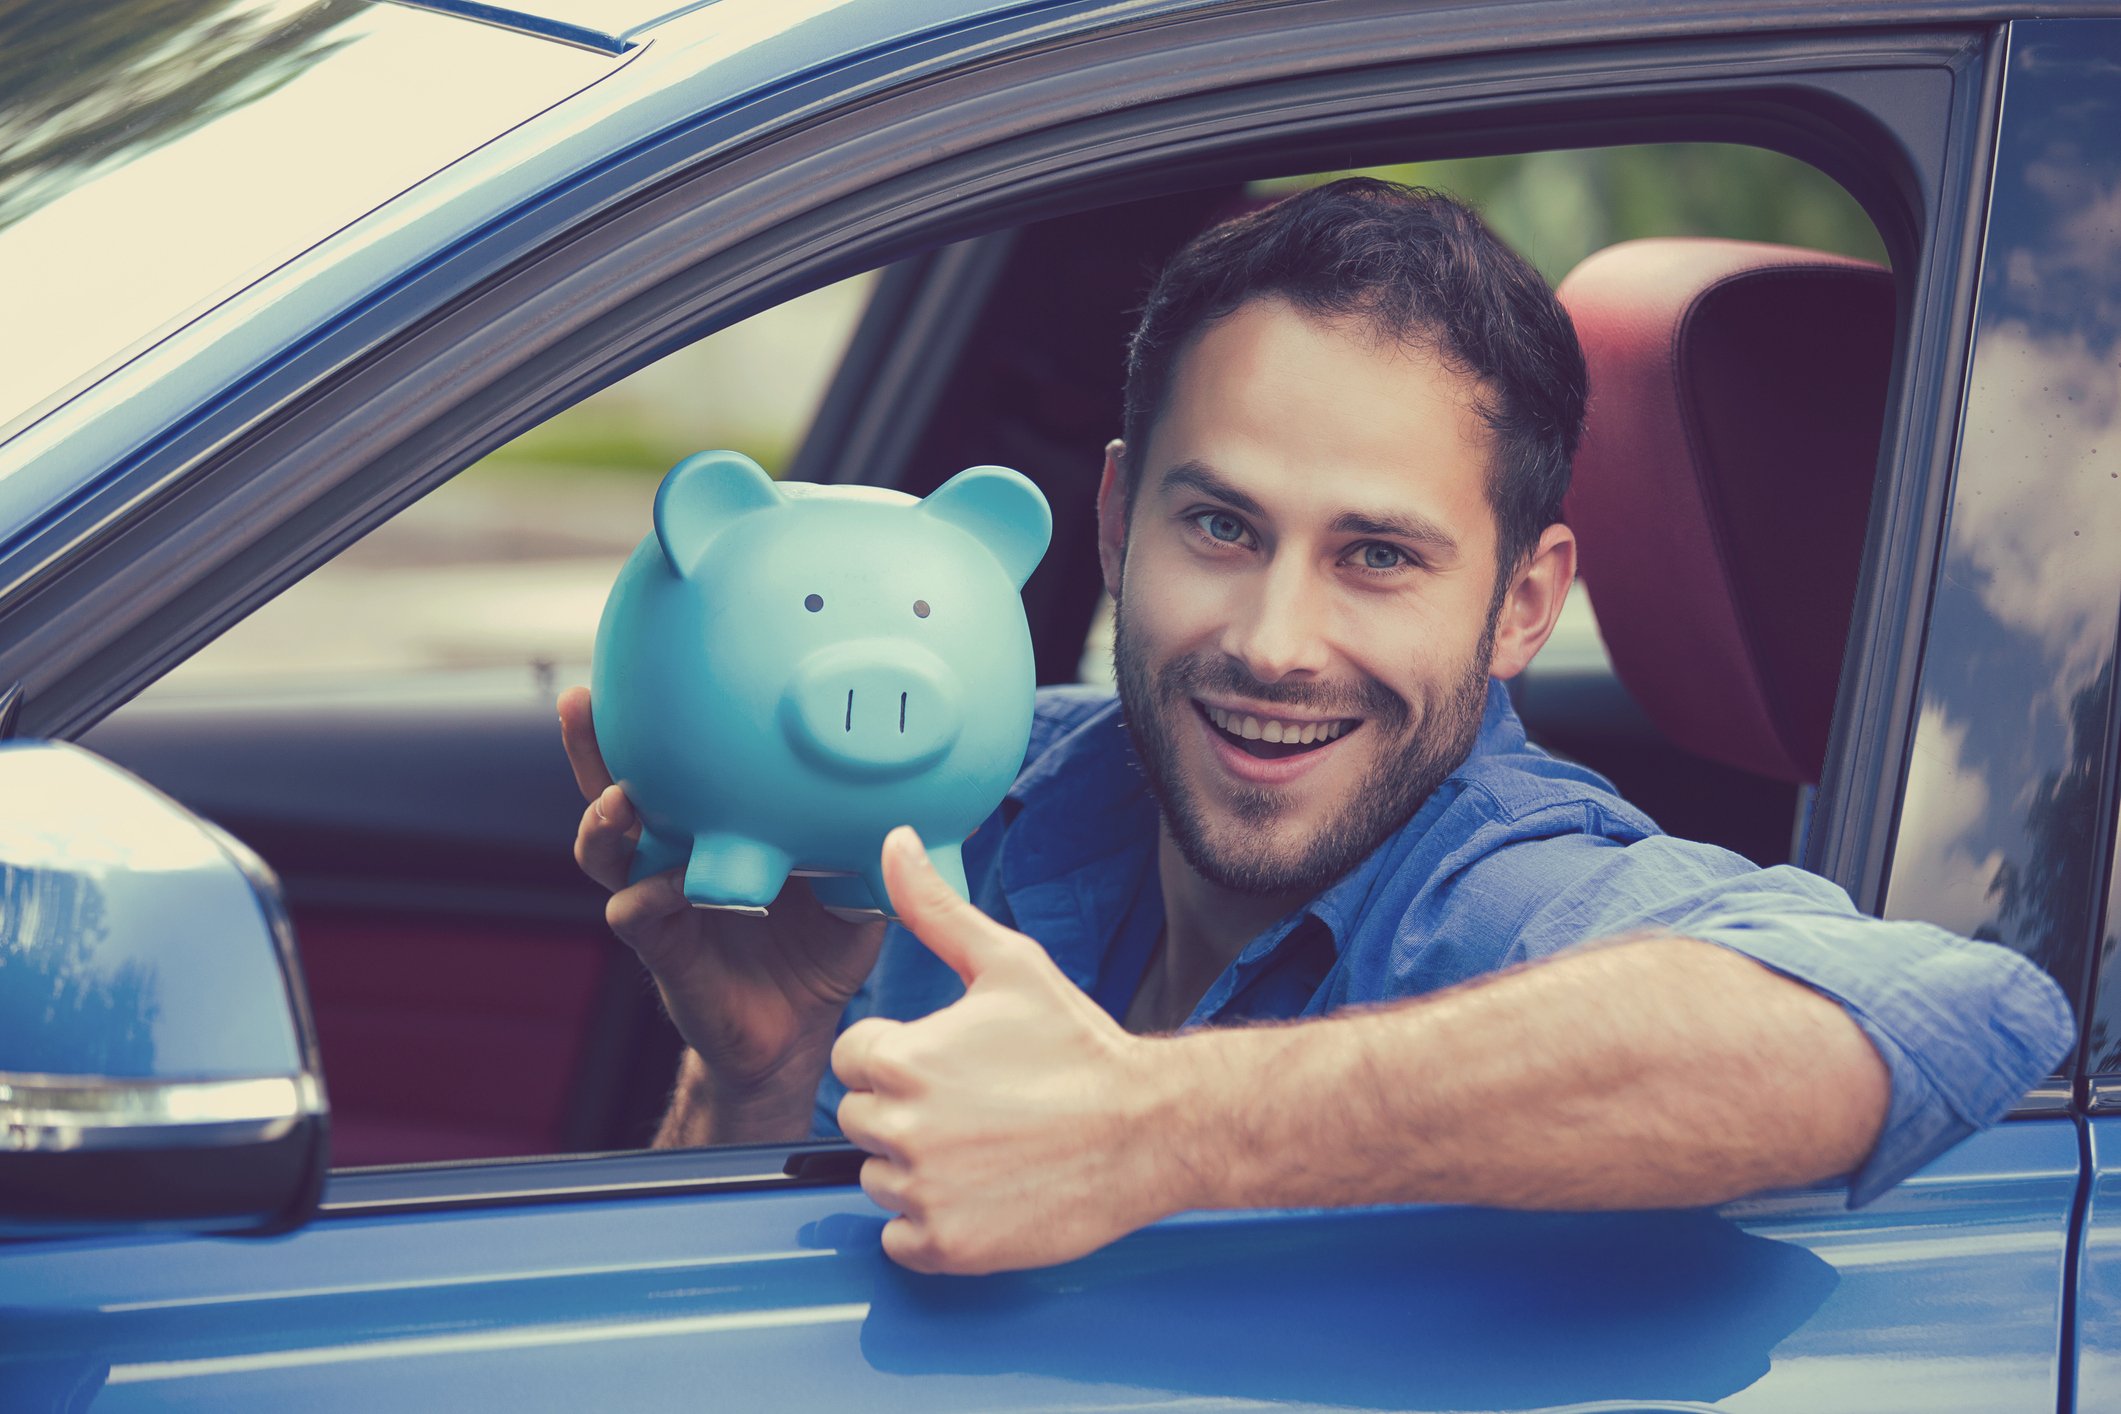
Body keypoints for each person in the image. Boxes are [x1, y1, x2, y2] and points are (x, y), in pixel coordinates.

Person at [559, 178, 2073, 1276]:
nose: (1274, 643)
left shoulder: (1511, 889)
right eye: (1218, 525)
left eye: (1378, 555)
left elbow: (1936, 1011)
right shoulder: (968, 798)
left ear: (1521, 605)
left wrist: (1151, 1127)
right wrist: (748, 1080)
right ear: (1111, 517)